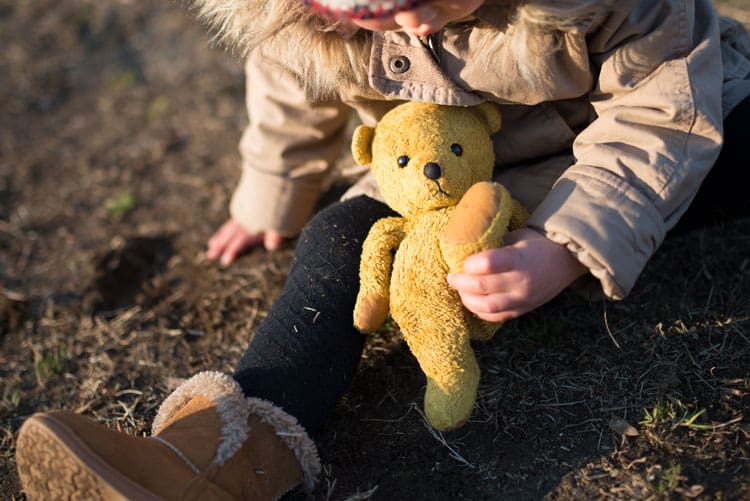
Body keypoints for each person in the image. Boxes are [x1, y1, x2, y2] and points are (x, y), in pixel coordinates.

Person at [15, 0, 750, 499]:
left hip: (606, 153)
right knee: (339, 241)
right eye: (369, 11)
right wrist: (272, 193)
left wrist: (565, 242)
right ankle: (212, 459)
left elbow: (661, 113)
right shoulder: (301, 19)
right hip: (425, 185)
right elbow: (288, 86)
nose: (408, 22)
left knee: (733, 141)